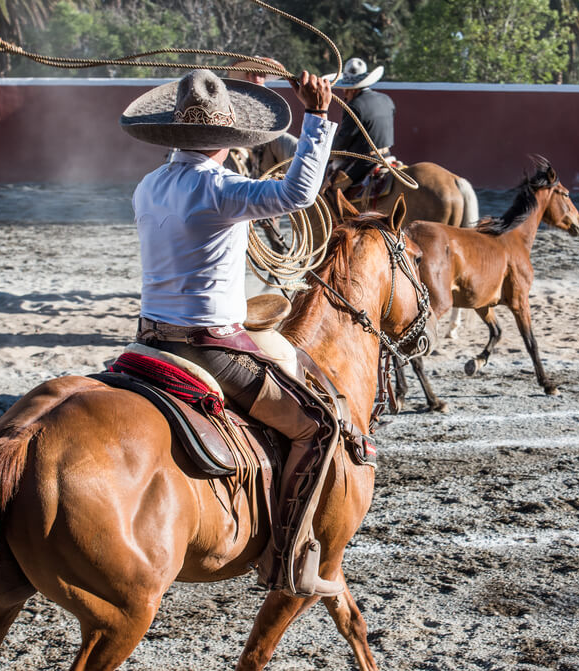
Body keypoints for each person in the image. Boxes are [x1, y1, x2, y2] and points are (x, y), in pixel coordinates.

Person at [120, 68, 342, 597]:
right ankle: (288, 559)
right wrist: (316, 117)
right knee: (319, 427)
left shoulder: (149, 185)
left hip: (148, 340)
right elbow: (300, 191)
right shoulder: (221, 189)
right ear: (229, 139)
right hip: (211, 346)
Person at [325, 57, 394, 191]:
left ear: (352, 89)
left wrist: (328, 150)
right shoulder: (386, 99)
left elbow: (343, 140)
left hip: (365, 162)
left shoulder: (355, 106)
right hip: (386, 156)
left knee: (331, 189)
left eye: (345, 89)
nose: (344, 93)